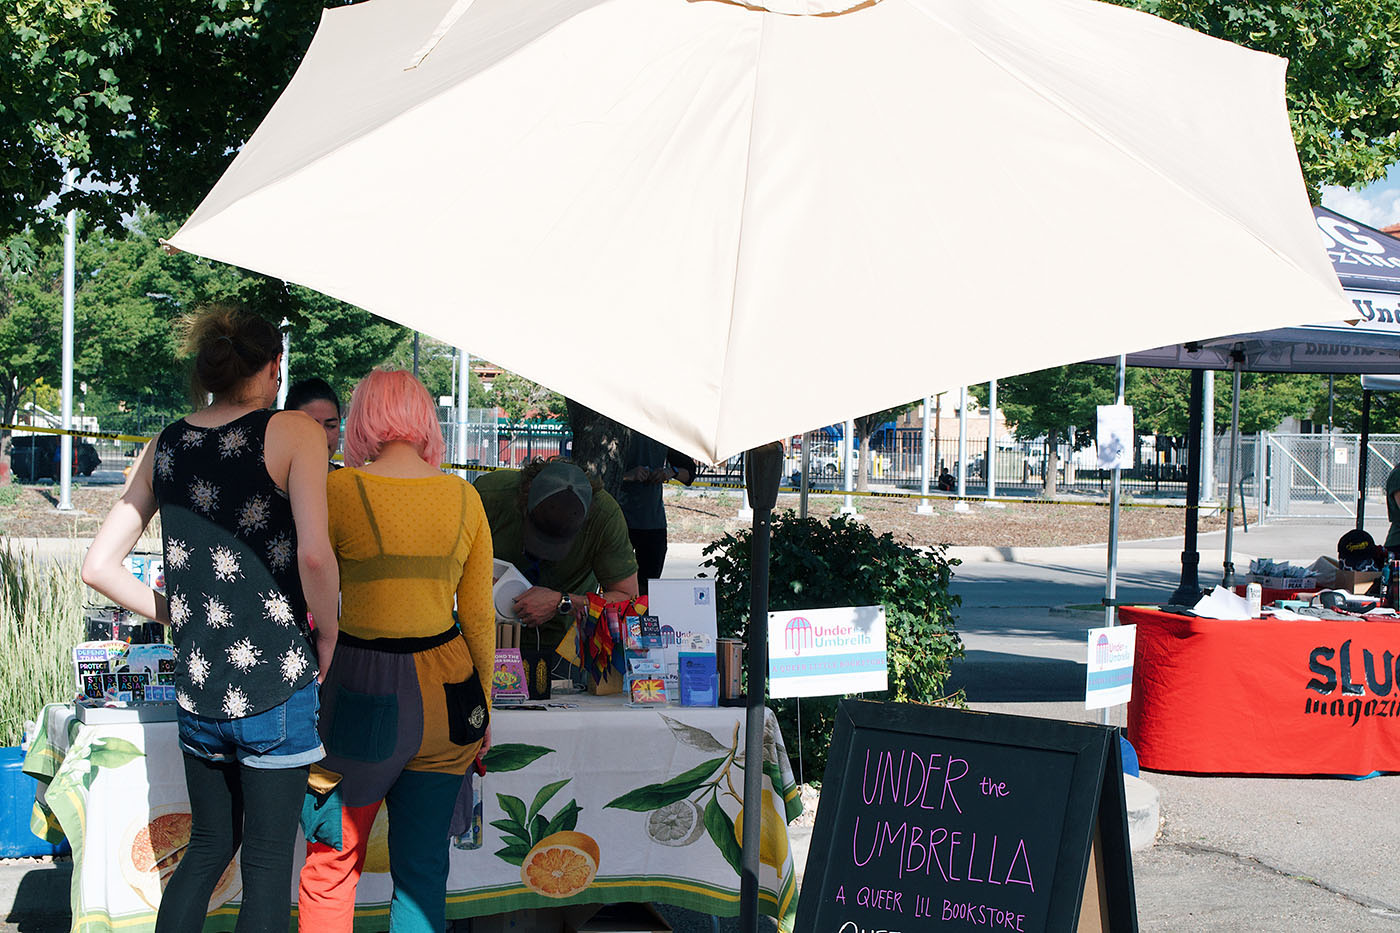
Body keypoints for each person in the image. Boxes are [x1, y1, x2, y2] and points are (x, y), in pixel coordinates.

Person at [81, 304, 339, 933]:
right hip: (276, 679)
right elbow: (314, 554)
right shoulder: (295, 432)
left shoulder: (166, 443)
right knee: (269, 864)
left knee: (207, 847)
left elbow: (98, 566)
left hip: (199, 685)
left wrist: (177, 614)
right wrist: (329, 632)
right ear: (274, 366)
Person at [298, 369, 494, 933]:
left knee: (332, 862)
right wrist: (485, 708)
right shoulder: (465, 497)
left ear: (361, 419)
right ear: (426, 420)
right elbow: (478, 615)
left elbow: (307, 583)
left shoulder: (338, 491)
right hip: (451, 697)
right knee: (423, 872)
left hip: (358, 690)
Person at [474, 459, 638, 655]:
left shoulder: (605, 517)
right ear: (524, 501)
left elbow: (628, 601)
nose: (544, 553)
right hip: (485, 637)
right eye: (539, 535)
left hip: (564, 647)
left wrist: (563, 602)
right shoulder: (489, 496)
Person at [617, 435, 694, 594]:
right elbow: (596, 472)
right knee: (616, 586)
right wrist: (628, 475)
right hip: (619, 522)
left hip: (653, 524)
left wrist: (670, 472)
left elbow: (689, 474)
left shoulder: (662, 432)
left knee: (648, 588)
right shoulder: (619, 429)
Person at [285, 377, 343, 467]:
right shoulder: (268, 474)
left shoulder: (350, 475)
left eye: (331, 426)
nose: (323, 435)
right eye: (311, 426)